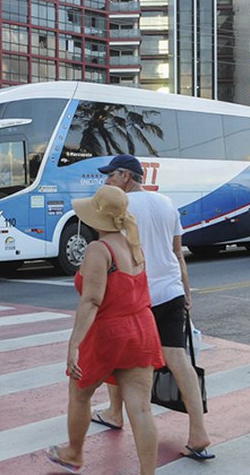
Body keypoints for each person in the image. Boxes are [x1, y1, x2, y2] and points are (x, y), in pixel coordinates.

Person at [95, 154, 214, 461]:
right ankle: (198, 432)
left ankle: (114, 413)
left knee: (119, 358)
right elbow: (178, 252)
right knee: (178, 358)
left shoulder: (120, 207)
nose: (107, 180)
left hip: (137, 296)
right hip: (171, 291)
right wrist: (186, 293)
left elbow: (112, 254)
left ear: (126, 176)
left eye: (111, 175)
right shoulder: (166, 203)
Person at [46, 185, 164, 475]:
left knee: (80, 394)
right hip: (142, 328)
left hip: (109, 333)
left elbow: (91, 301)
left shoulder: (99, 249)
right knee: (141, 409)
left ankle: (74, 453)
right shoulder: (131, 243)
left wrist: (74, 343)